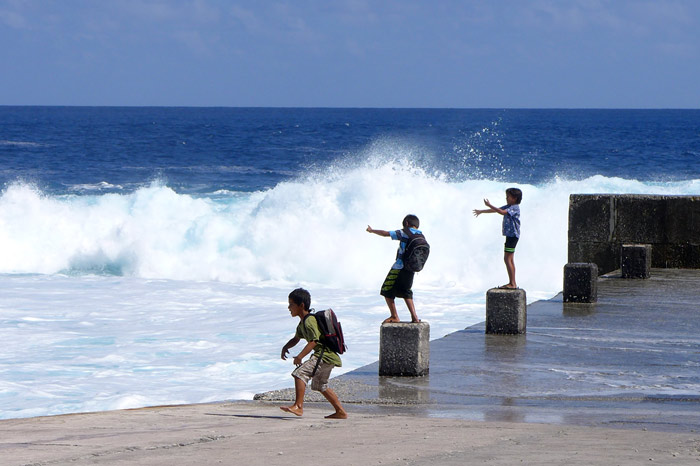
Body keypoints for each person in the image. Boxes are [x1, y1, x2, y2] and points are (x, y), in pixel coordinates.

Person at [280, 288, 347, 419]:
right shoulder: (302, 323)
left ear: (301, 305)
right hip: (328, 356)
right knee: (319, 385)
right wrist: (285, 347)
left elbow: (314, 341)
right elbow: (296, 338)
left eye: (291, 304)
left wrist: (300, 357)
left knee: (299, 374)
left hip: (324, 355)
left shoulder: (309, 321)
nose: (289, 307)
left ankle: (298, 407)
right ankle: (341, 412)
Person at [366, 214, 422, 323]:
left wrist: (372, 231)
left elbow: (385, 233)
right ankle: (415, 317)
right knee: (406, 291)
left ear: (406, 223)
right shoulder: (420, 235)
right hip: (411, 268)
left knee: (386, 289)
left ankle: (394, 316)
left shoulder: (405, 232)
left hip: (399, 267)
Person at [473, 187, 522, 289]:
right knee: (510, 259)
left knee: (507, 259)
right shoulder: (509, 206)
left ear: (514, 198)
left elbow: (501, 212)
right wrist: (481, 211)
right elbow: (496, 210)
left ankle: (512, 284)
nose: (506, 198)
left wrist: (489, 204)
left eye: (508, 196)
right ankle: (512, 283)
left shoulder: (515, 207)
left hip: (513, 236)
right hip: (511, 236)